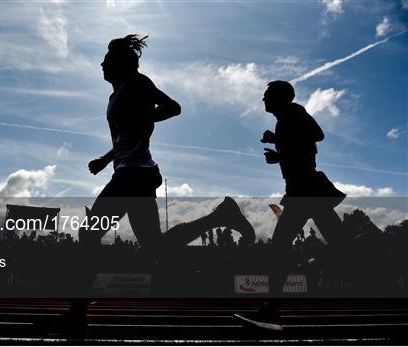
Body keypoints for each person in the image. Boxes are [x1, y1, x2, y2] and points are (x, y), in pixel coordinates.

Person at [59, 34, 256, 338]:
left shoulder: (138, 83)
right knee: (155, 246)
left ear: (121, 65)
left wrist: (147, 115)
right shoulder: (116, 95)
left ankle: (77, 314)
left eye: (106, 60)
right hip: (132, 170)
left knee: (88, 234)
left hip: (133, 174)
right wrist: (105, 157)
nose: (101, 64)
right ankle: (220, 216)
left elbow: (173, 107)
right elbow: (129, 135)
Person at [238, 80, 346, 327]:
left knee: (279, 250)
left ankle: (271, 310)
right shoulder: (286, 117)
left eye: (267, 95)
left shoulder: (293, 112)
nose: (263, 99)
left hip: (304, 189)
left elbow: (316, 136)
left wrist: (280, 149)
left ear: (281, 97)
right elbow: (302, 146)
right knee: (340, 244)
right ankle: (371, 252)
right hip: (303, 189)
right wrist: (279, 146)